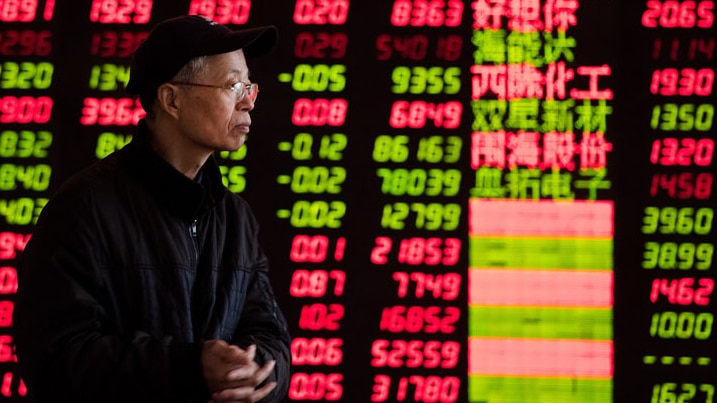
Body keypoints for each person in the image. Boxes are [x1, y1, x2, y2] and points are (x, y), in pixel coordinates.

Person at [13, 15, 291, 403]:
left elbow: (272, 339)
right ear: (171, 99)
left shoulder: (236, 218)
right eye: (233, 85)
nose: (248, 100)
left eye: (250, 85)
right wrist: (190, 369)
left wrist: (252, 375)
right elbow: (54, 358)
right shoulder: (83, 209)